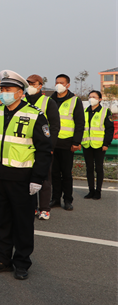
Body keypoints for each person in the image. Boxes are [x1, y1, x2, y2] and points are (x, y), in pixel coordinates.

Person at [0, 70, 52, 280]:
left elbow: (44, 150)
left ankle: (21, 262)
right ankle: (2, 259)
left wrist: (38, 179)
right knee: (1, 222)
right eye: (1, 89)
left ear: (20, 92)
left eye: (7, 90)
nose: (2, 93)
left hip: (22, 180)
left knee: (22, 224)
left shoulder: (35, 115)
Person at [25, 74, 61, 220]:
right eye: (28, 83)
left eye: (33, 84)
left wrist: (50, 146)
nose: (30, 86)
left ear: (40, 85)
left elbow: (54, 127)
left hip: (43, 146)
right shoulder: (22, 100)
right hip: (26, 147)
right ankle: (31, 207)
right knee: (27, 177)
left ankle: (44, 208)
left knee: (44, 178)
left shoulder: (48, 102)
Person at [49, 74, 85, 211]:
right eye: (57, 82)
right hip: (53, 142)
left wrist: (76, 142)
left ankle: (68, 200)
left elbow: (80, 123)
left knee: (66, 174)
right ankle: (55, 199)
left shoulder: (75, 100)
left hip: (67, 143)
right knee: (54, 173)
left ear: (68, 85)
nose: (58, 84)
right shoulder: (50, 100)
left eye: (61, 82)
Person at [82, 90, 114, 200]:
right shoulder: (85, 111)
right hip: (87, 144)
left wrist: (106, 143)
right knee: (89, 168)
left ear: (100, 99)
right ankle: (91, 190)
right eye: (90, 96)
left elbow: (110, 129)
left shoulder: (105, 111)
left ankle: (98, 191)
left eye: (94, 97)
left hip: (100, 145)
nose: (91, 98)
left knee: (98, 168)